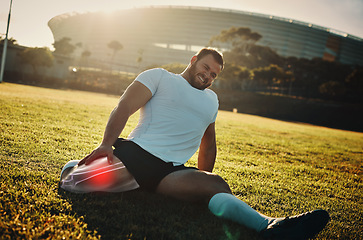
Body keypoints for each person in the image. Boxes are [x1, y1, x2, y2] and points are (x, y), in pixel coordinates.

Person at [59, 48, 330, 239]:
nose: (208, 76)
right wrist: (107, 144)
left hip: (171, 172)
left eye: (214, 74)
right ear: (193, 60)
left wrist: (203, 174)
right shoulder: (159, 77)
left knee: (216, 185)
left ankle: (270, 226)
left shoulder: (211, 100)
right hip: (136, 157)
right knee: (73, 183)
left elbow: (208, 144)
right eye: (206, 68)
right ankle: (74, 165)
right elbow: (124, 106)